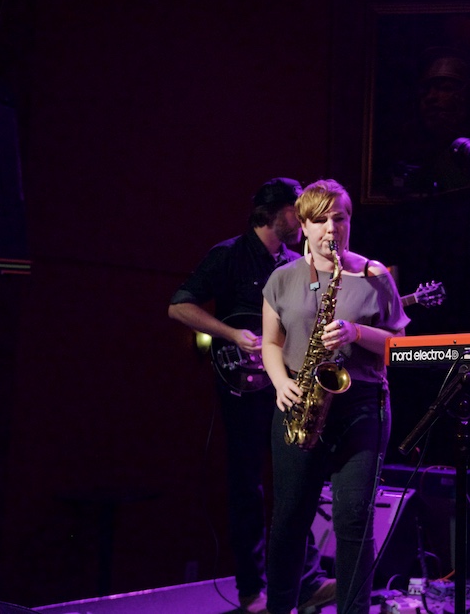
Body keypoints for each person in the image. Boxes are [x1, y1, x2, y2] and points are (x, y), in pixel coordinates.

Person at [168, 178, 332, 613]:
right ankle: (251, 591)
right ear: (275, 213)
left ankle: (308, 580)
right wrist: (232, 334)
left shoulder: (298, 264)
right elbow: (179, 305)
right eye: (296, 212)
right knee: (248, 486)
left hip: (286, 383)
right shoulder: (228, 255)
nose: (303, 221)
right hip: (242, 387)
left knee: (295, 481)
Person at [260, 179, 409, 614]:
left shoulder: (374, 275)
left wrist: (358, 332)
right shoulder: (282, 278)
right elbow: (271, 343)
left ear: (349, 221)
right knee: (288, 521)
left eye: (339, 218)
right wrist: (280, 382)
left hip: (361, 405)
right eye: (320, 220)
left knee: (353, 521)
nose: (331, 229)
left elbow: (399, 348)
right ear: (302, 226)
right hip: (297, 403)